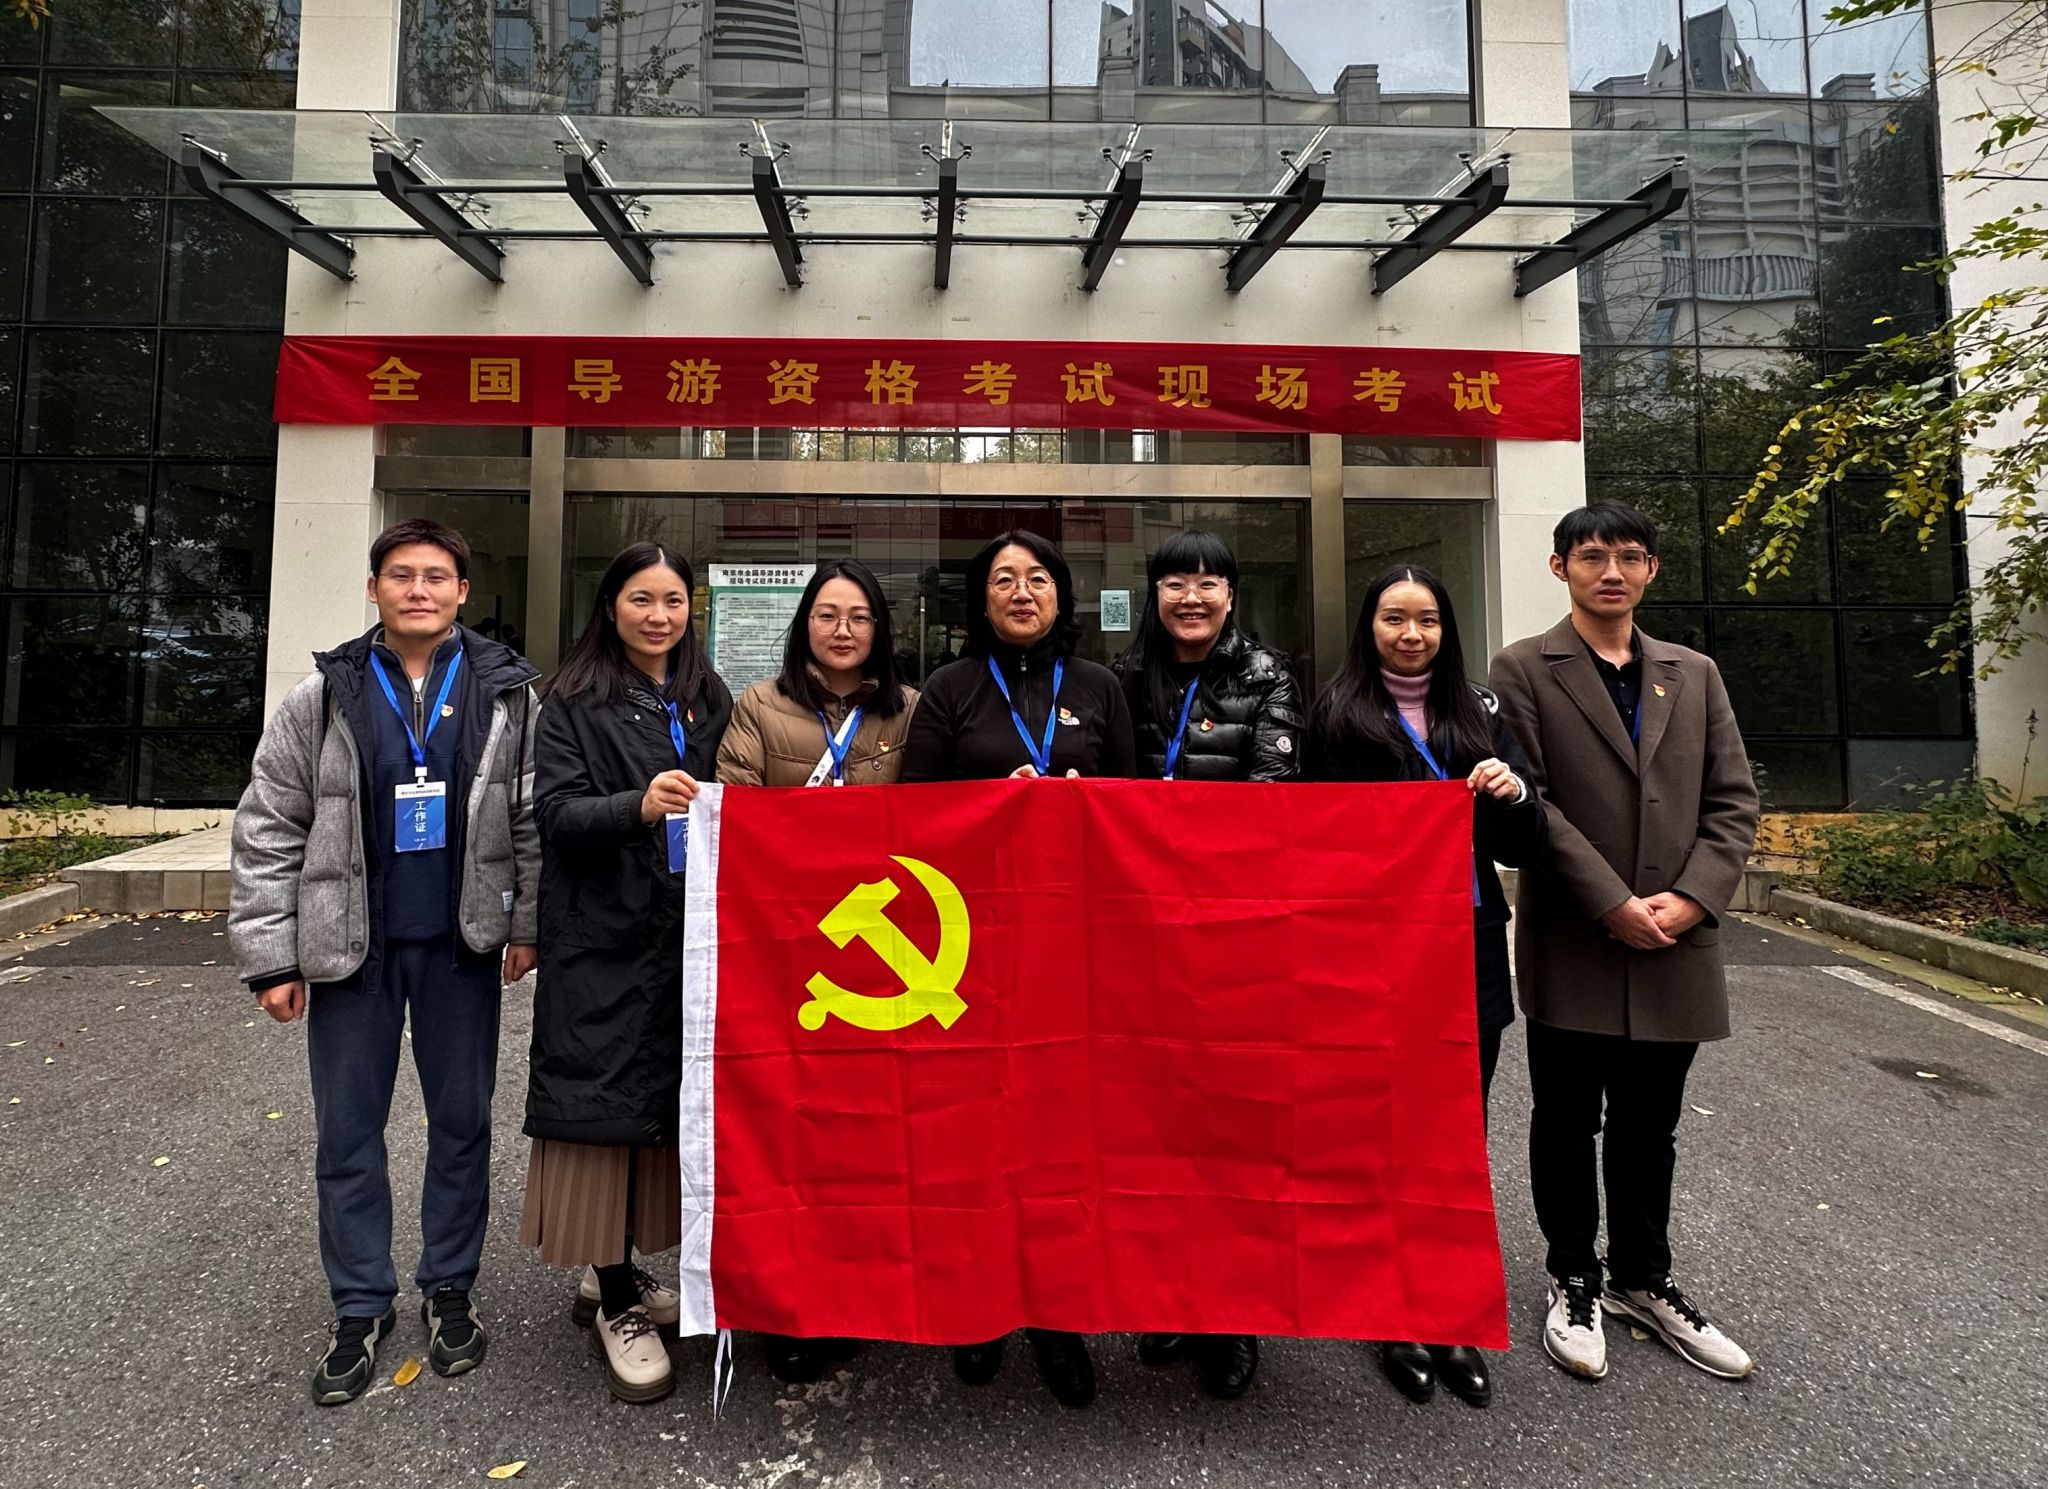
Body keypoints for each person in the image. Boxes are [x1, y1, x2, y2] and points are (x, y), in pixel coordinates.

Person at [229, 518, 541, 1407]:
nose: (418, 589)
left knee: (462, 1124)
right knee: (348, 1135)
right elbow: (269, 824)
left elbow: (529, 818)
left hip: (459, 948)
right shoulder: (323, 694)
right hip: (348, 951)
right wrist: (271, 955)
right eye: (400, 575)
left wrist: (529, 925)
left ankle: (450, 1289)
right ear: (374, 589)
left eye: (436, 576)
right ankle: (360, 1303)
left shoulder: (507, 694)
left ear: (462, 592)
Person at [1489, 502, 1760, 1385]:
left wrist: (1691, 898)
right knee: (1566, 1119)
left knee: (1651, 1125)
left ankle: (1643, 1278)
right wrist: (1611, 900)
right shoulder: (1523, 668)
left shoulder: (1695, 673)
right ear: (1559, 566)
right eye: (1593, 556)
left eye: (1630, 556)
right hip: (1576, 932)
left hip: (1677, 939)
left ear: (1651, 570)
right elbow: (1530, 801)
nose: (1612, 571)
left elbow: (1733, 800)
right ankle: (1573, 1275)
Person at [899, 528, 1136, 1409]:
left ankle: (1059, 1316)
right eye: (1003, 579)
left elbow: (1136, 813)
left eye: (1037, 577)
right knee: (977, 1132)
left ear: (1062, 595)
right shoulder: (951, 689)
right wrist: (996, 807)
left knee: (1065, 1134)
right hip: (973, 950)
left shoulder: (1100, 687)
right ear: (983, 599)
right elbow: (910, 819)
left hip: (1075, 949)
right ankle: (979, 1306)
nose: (1022, 591)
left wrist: (1081, 806)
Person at [1306, 564, 1546, 1410]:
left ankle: (1447, 1309)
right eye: (1394, 619)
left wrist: (1512, 791)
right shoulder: (1334, 714)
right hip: (1369, 951)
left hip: (1466, 944)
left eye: (1428, 620)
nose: (1411, 635)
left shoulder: (1481, 711)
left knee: (1456, 1133)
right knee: (1379, 1128)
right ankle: (1389, 1309)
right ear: (1368, 627)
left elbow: (1524, 840)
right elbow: (1311, 837)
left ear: (1446, 629)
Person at [520, 541, 735, 1404]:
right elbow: (554, 814)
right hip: (600, 938)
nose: (659, 615)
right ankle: (615, 1299)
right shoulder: (570, 697)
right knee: (597, 1109)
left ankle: (621, 1269)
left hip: (687, 936)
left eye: (673, 600)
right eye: (642, 598)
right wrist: (636, 806)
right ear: (611, 605)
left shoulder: (706, 693)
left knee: (662, 1108)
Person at [714, 558, 921, 1384]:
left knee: (871, 1135)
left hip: (881, 960)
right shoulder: (758, 706)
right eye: (828, 614)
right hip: (786, 955)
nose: (843, 629)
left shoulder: (908, 708)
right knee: (790, 1134)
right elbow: (730, 812)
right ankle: (789, 1305)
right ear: (804, 623)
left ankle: (862, 1291)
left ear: (880, 629)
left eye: (859, 616)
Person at [1111, 528, 1303, 1401]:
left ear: (1231, 593)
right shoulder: (1122, 677)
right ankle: (1170, 1295)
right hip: (1139, 932)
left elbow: (1274, 799)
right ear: (1154, 594)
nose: (1191, 596)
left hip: (1232, 931)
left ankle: (1233, 1313)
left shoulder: (1267, 678)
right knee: (1154, 1123)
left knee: (1231, 1126)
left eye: (1208, 581)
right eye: (1175, 582)